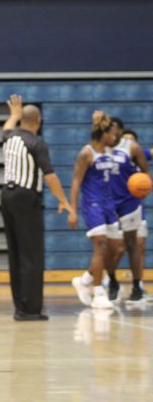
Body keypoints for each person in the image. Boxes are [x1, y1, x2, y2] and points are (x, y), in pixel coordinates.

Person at [0, 94, 74, 321]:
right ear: (39, 121)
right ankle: (30, 309)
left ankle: (20, 306)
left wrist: (14, 115)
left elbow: (7, 127)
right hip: (25, 197)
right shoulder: (36, 142)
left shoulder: (10, 137)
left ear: (22, 119)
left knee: (16, 253)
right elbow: (50, 175)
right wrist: (64, 201)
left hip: (6, 197)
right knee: (31, 254)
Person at [69, 111, 118, 310]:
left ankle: (85, 280)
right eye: (112, 134)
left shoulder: (110, 151)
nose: (115, 137)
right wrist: (72, 210)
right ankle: (98, 293)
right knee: (100, 246)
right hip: (93, 204)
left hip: (109, 203)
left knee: (116, 248)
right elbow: (76, 181)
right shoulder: (86, 153)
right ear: (104, 134)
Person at [104, 119, 150, 302]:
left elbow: (146, 173)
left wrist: (144, 187)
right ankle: (111, 280)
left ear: (120, 130)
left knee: (135, 244)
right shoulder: (99, 148)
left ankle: (137, 286)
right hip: (108, 202)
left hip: (130, 202)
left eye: (115, 128)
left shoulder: (132, 148)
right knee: (112, 246)